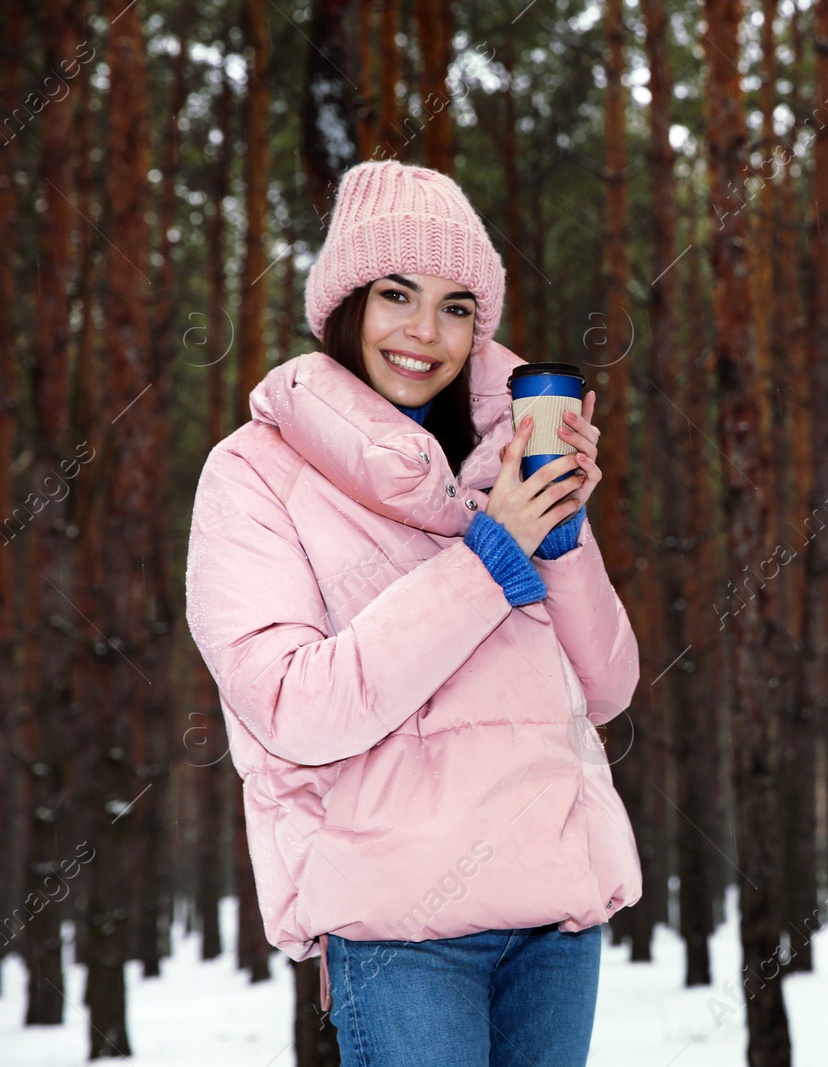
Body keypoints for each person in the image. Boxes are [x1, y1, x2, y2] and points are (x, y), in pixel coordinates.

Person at [184, 159, 642, 1066]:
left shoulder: (502, 464)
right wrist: (489, 560)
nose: (426, 333)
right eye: (399, 294)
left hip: (553, 918)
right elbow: (292, 709)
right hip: (398, 933)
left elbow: (610, 687)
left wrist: (560, 538)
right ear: (346, 303)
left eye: (457, 306)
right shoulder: (253, 473)